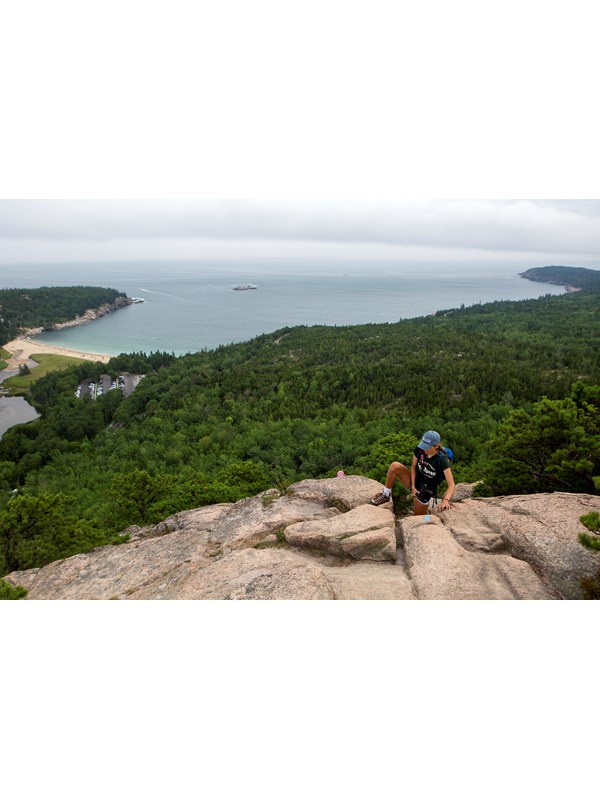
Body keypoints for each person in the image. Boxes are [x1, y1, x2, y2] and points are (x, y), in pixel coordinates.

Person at [370, 430, 455, 515]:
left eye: (427, 447)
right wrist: (413, 486)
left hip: (426, 490)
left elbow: (451, 485)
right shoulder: (419, 450)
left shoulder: (442, 460)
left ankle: (429, 518)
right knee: (395, 466)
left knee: (419, 518)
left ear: (436, 446)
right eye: (423, 445)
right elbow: (413, 467)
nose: (424, 448)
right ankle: (386, 494)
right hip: (414, 480)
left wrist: (446, 500)